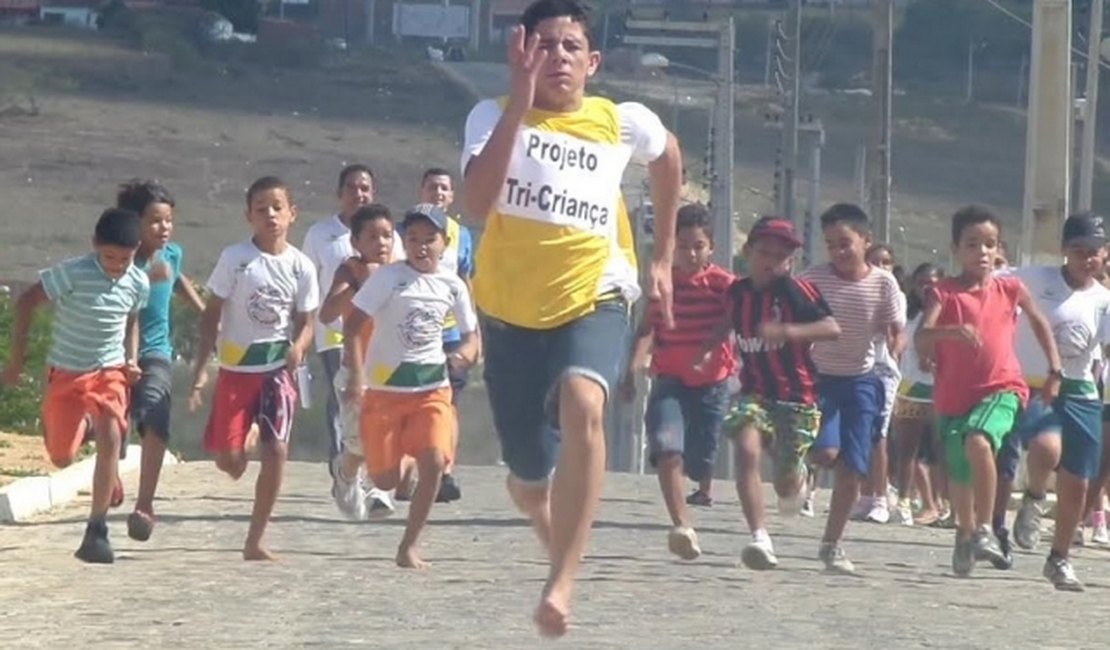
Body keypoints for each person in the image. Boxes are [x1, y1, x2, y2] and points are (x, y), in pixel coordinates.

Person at [460, 0, 683, 637]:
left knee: (586, 401)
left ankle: (563, 577)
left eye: (569, 47)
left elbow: (669, 156)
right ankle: (541, 512)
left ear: (593, 61)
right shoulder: (491, 116)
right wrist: (520, 98)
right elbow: (476, 205)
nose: (557, 56)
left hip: (596, 294)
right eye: (545, 44)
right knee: (529, 477)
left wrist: (662, 256)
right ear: (523, 51)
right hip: (509, 311)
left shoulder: (619, 121)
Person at [916, 204, 1062, 578]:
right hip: (953, 396)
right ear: (955, 249)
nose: (982, 252)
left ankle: (984, 527)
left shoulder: (1009, 287)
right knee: (961, 472)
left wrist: (1054, 368)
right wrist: (948, 335)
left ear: (999, 249)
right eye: (972, 244)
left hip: (1002, 387)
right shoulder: (943, 292)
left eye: (990, 244)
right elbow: (922, 336)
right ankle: (965, 532)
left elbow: (1039, 322)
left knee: (980, 442)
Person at [1, 208, 150, 563]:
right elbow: (27, 301)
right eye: (109, 257)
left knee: (112, 432)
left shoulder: (138, 282)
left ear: (136, 251)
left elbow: (131, 321)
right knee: (62, 456)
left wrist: (132, 360)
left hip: (109, 372)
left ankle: (96, 530)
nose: (116, 265)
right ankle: (92, 435)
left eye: (125, 259)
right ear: (95, 245)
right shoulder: (74, 273)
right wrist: (16, 362)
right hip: (66, 374)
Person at [342, 204, 480, 569]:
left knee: (434, 461)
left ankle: (409, 546)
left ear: (445, 243)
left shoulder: (453, 285)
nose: (420, 247)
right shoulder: (387, 278)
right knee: (385, 477)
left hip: (432, 391)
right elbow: (353, 327)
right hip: (385, 392)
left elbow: (471, 336)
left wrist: (465, 354)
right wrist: (356, 377)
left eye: (429, 240)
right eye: (413, 239)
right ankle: (351, 462)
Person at [698, 216, 839, 570]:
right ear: (747, 252)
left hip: (797, 397)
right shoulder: (738, 292)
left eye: (780, 256)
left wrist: (789, 331)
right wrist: (707, 348)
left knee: (786, 484)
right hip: (755, 392)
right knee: (746, 449)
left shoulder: (796, 292)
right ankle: (759, 537)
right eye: (763, 252)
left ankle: (798, 478)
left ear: (790, 261)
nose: (770, 261)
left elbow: (831, 328)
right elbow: (727, 321)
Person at [189, 176, 319, 561]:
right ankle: (247, 436)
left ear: (292, 213)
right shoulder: (235, 259)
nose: (270, 215)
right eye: (261, 209)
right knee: (229, 464)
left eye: (277, 207)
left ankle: (255, 539)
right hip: (235, 371)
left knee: (277, 450)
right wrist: (201, 366)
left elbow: (308, 320)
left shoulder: (301, 266)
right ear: (249, 216)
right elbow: (212, 313)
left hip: (277, 369)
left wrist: (298, 346)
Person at [620, 203, 734, 561]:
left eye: (698, 245)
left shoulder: (724, 286)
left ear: (711, 247)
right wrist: (631, 372)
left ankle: (700, 483)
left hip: (712, 387)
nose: (690, 253)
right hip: (669, 382)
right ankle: (682, 525)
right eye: (682, 245)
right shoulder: (662, 285)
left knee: (700, 463)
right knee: (668, 451)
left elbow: (739, 318)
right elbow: (646, 330)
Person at [1006, 213, 1110, 591]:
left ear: (1105, 254)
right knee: (1047, 449)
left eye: (1094, 253)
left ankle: (1060, 558)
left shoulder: (1103, 300)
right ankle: (1034, 495)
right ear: (1064, 250)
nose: (1087, 260)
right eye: (1079, 251)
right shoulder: (1034, 279)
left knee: (1078, 483)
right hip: (1036, 385)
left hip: (1081, 390)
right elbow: (988, 286)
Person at [799, 204, 905, 574]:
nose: (839, 252)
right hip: (820, 379)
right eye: (831, 245)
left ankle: (832, 543)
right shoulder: (813, 279)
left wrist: (896, 346)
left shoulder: (883, 283)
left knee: (852, 467)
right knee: (826, 451)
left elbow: (895, 326)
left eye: (845, 243)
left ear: (866, 240)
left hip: (862, 380)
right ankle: (797, 472)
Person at [115, 180, 206, 542]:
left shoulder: (172, 255)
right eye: (155, 220)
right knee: (113, 425)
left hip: (156, 352)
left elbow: (177, 277)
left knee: (156, 420)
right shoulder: (119, 257)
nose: (164, 228)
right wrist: (141, 275)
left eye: (168, 220)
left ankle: (145, 505)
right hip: (113, 353)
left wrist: (203, 310)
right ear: (134, 222)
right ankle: (110, 476)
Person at [318, 204, 397, 521]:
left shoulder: (402, 272)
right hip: (357, 370)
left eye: (387, 235)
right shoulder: (349, 270)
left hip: (395, 371)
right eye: (373, 236)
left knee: (396, 434)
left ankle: (381, 490)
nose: (381, 243)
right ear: (356, 242)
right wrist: (358, 287)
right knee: (360, 445)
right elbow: (326, 315)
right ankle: (345, 472)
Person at [302, 164, 375, 498]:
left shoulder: (384, 234)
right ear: (339, 194)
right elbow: (305, 282)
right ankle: (340, 464)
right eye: (351, 188)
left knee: (368, 399)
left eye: (364, 188)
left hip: (374, 335)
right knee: (340, 396)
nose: (358, 194)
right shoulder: (320, 234)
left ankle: (364, 465)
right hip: (331, 330)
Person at [417, 167, 476, 504]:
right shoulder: (402, 232)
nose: (438, 193)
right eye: (432, 187)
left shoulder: (462, 234)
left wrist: (474, 333)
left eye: (444, 188)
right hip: (413, 332)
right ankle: (412, 470)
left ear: (452, 196)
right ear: (421, 191)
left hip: (451, 332)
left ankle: (446, 471)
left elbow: (467, 281)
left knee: (448, 404)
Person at [890, 262, 946, 526]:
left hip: (939, 389)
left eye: (932, 282)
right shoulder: (911, 315)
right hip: (910, 387)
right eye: (922, 282)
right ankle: (904, 500)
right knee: (907, 450)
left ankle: (939, 503)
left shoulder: (947, 314)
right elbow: (901, 339)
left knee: (938, 451)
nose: (927, 288)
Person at [855, 243, 905, 524]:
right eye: (875, 262)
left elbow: (897, 333)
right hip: (857, 368)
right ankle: (865, 495)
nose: (881, 267)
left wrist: (895, 347)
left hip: (883, 371)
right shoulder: (859, 289)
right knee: (860, 435)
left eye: (886, 262)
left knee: (879, 435)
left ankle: (880, 498)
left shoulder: (893, 294)